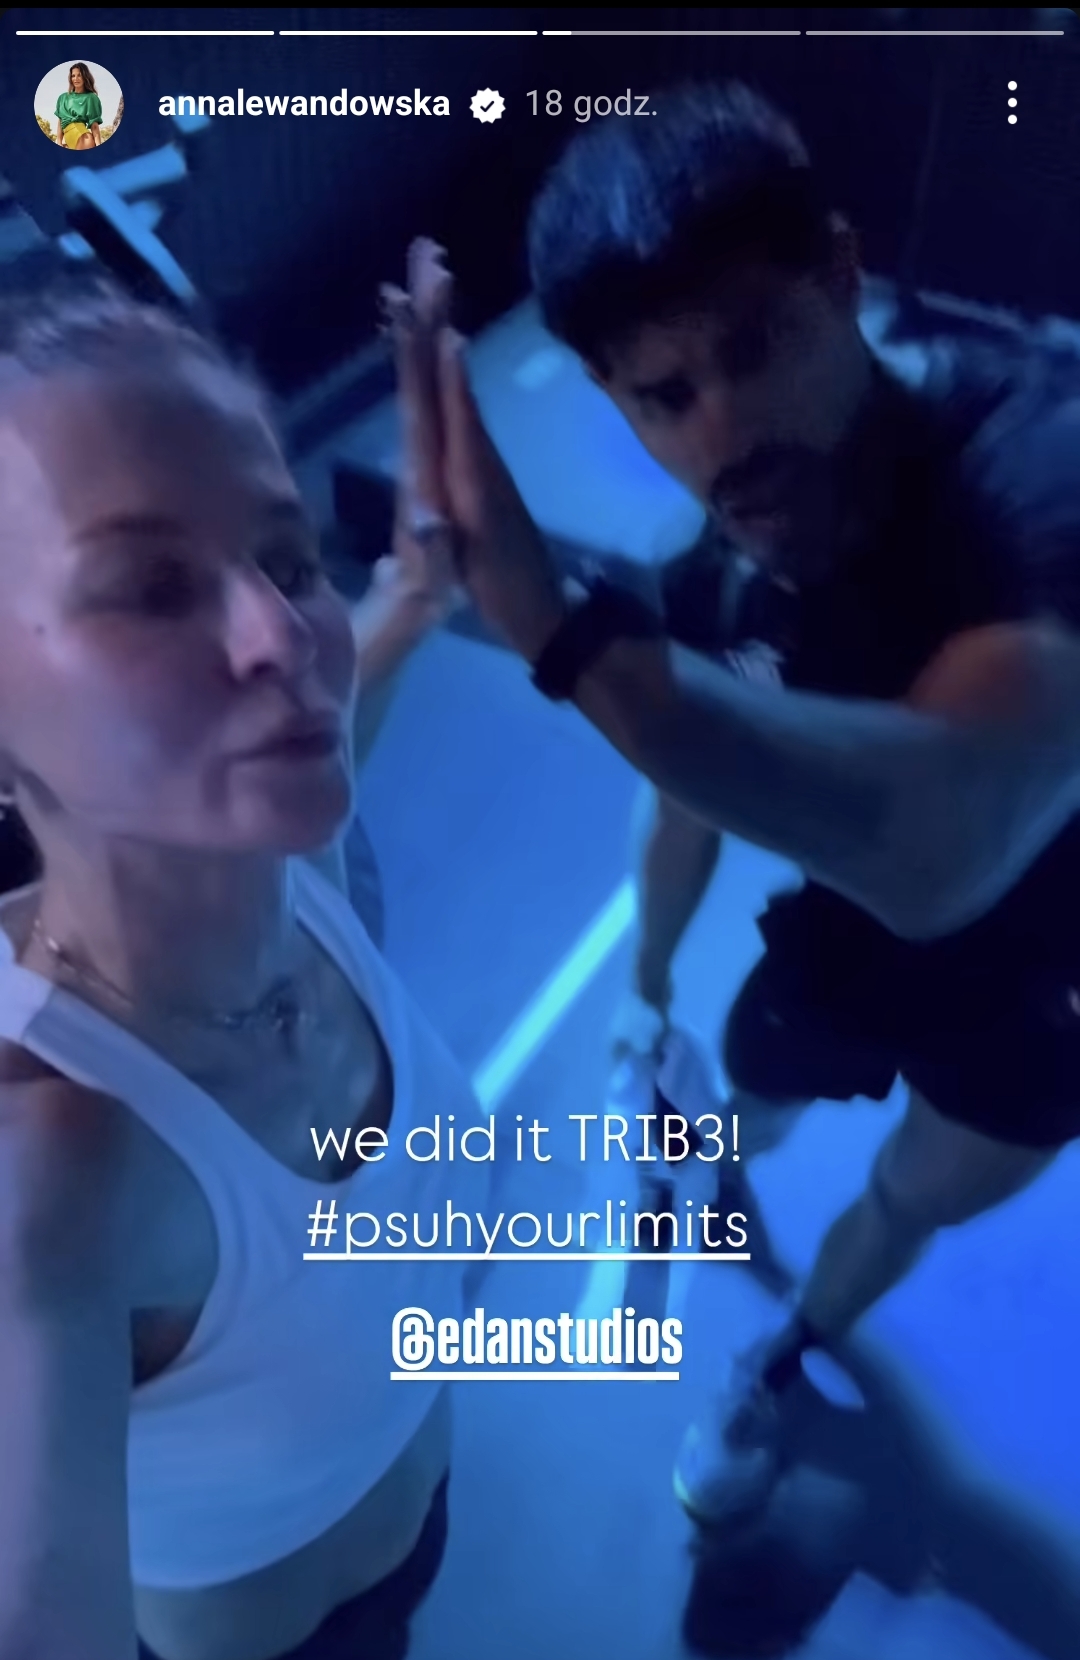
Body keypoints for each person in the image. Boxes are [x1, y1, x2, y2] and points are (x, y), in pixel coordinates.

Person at [406, 81, 1080, 1535]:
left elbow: (945, 845)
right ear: (615, 401)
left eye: (755, 347)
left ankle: (777, 1361)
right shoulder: (715, 578)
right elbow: (682, 798)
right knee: (750, 1103)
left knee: (906, 1198)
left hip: (1044, 983)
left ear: (839, 278)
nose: (727, 433)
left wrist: (561, 632)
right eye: (665, 395)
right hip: (841, 948)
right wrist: (644, 994)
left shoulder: (1040, 475)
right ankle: (718, 1156)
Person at [0, 262, 546, 1660]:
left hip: (404, 1492)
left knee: (384, 1640)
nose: (279, 641)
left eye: (284, 557)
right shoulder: (54, 1166)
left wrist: (414, 577)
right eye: (150, 586)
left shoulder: (297, 853)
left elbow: (355, 658)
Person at [54, 63, 103, 151]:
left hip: (84, 138)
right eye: (73, 76)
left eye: (79, 75)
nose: (76, 79)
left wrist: (99, 147)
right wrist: (59, 142)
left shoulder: (91, 97)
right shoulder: (63, 97)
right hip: (67, 138)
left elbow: (94, 125)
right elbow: (60, 121)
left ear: (85, 77)